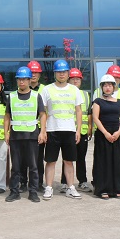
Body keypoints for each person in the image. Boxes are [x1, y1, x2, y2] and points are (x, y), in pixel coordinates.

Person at [41, 59, 83, 200]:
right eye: (59, 72)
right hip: (52, 130)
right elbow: (43, 112)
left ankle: (71, 188)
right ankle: (49, 187)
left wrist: (78, 130)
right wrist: (43, 130)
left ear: (68, 73)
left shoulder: (74, 90)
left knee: (69, 161)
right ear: (54, 73)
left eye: (64, 72)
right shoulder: (47, 89)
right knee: (50, 161)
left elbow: (78, 111)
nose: (61, 74)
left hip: (69, 130)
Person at [4, 66, 47, 203]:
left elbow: (43, 115)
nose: (21, 82)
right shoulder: (11, 96)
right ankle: (14, 192)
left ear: (29, 80)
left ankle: (33, 192)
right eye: (19, 79)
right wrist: (6, 133)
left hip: (32, 135)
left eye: (24, 79)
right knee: (15, 167)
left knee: (33, 166)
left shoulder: (36, 96)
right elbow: (7, 116)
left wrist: (43, 132)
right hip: (15, 136)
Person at [91, 74, 120, 199]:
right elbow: (95, 118)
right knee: (103, 162)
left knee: (118, 161)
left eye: (110, 85)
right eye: (105, 85)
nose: (108, 88)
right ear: (102, 87)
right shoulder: (98, 101)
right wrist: (106, 133)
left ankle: (118, 189)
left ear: (114, 87)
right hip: (103, 134)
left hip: (116, 134)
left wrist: (118, 132)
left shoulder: (119, 102)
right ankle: (103, 189)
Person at [59, 68, 91, 193]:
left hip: (82, 131)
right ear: (69, 80)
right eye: (73, 79)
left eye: (78, 79)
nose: (75, 81)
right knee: (67, 158)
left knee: (81, 158)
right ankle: (64, 182)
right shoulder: (64, 93)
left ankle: (82, 181)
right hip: (68, 131)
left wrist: (89, 127)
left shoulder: (86, 95)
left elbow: (89, 113)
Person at [20, 60, 46, 192]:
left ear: (40, 74)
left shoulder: (45, 90)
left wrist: (44, 131)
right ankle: (23, 182)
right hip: (23, 128)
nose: (34, 75)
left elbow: (46, 112)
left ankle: (38, 183)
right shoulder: (21, 89)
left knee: (38, 158)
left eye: (36, 72)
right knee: (23, 158)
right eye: (32, 72)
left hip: (38, 129)